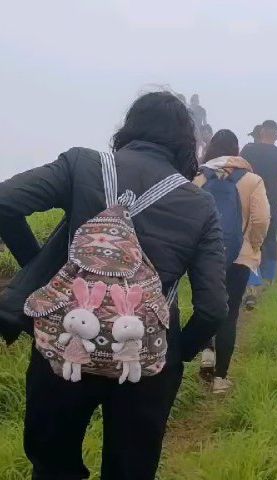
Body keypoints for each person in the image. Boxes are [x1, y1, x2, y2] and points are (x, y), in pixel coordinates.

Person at [0, 91, 228, 480]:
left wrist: (48, 273)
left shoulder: (82, 165)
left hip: (65, 340)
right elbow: (212, 309)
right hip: (144, 358)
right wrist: (176, 353)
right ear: (184, 144)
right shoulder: (199, 204)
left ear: (130, 128)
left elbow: (5, 202)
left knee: (53, 467)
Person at [194, 130, 270, 393]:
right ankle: (220, 379)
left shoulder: (200, 178)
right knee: (230, 313)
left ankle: (206, 353)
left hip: (204, 258)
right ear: (237, 151)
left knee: (205, 305)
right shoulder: (252, 180)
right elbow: (261, 220)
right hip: (240, 256)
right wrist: (253, 246)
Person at [241, 120, 277, 288]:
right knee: (270, 239)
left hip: (247, 202)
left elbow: (236, 172)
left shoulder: (247, 150)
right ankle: (268, 279)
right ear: (276, 136)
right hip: (269, 203)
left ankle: (251, 279)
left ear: (261, 132)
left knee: (248, 239)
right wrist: (275, 197)